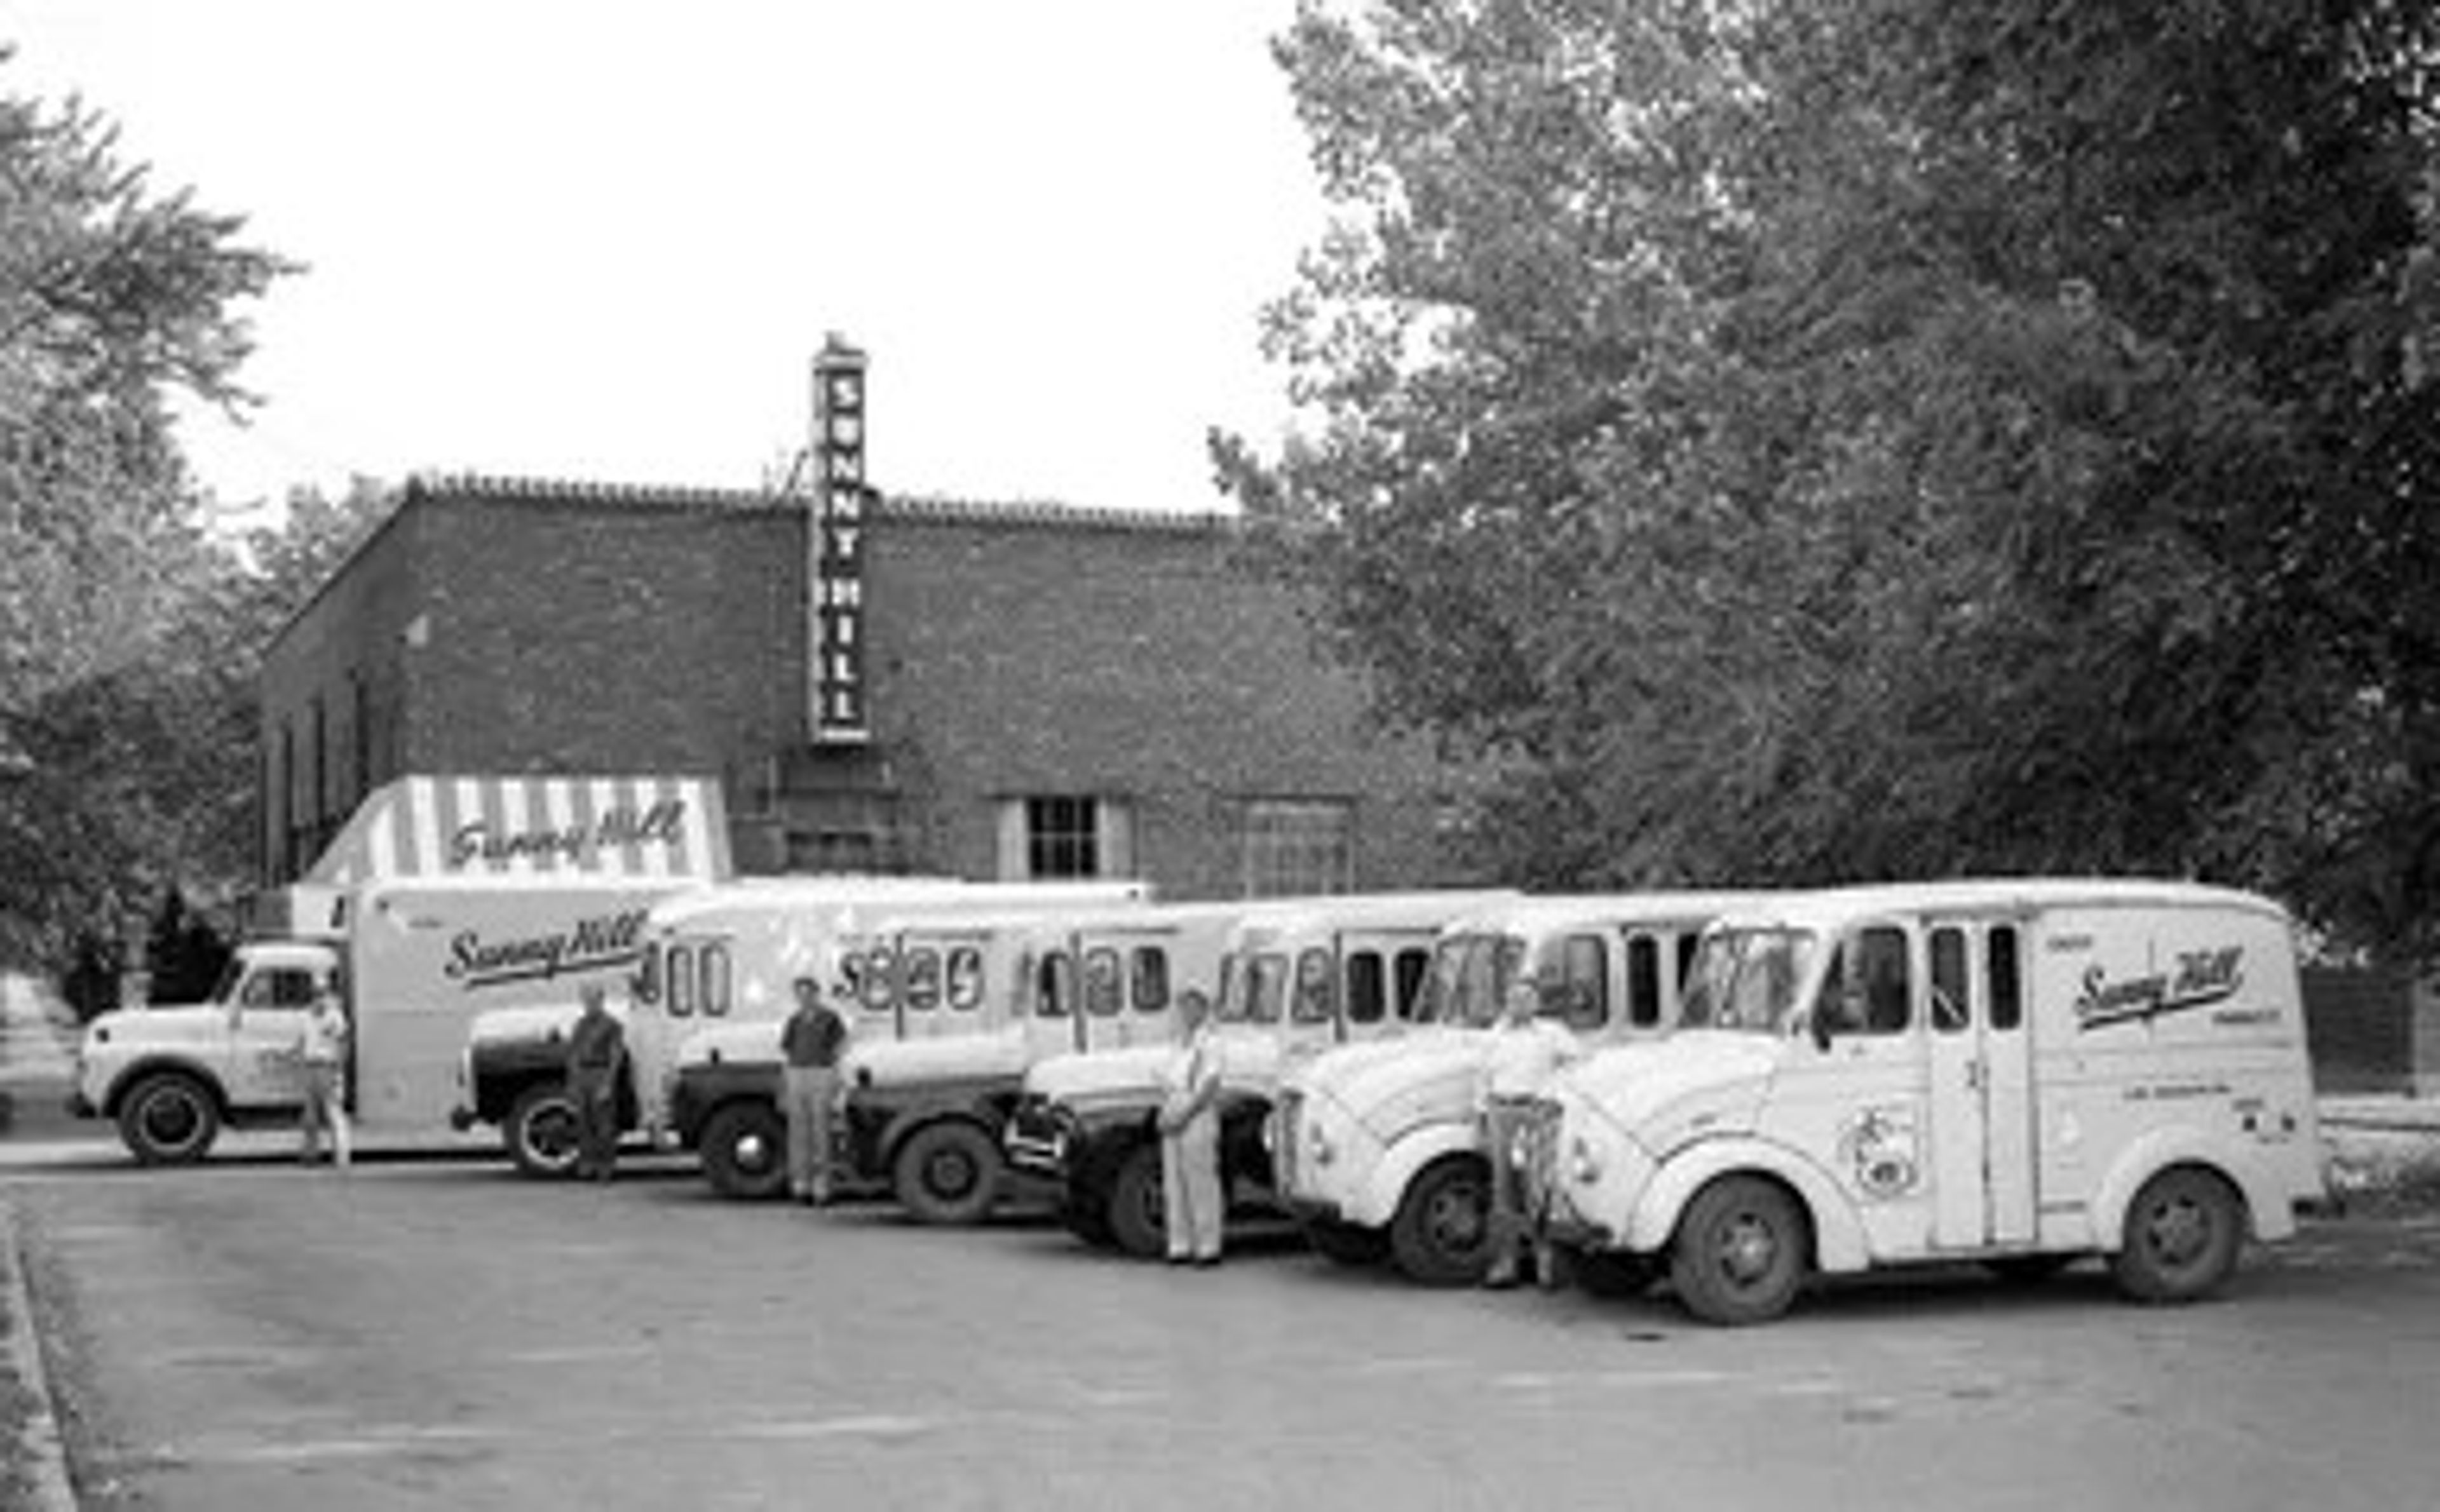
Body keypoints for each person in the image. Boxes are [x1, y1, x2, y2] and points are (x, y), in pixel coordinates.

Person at [1475, 975, 1578, 1289]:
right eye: (1514, 998)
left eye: (1526, 998)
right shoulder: (1494, 1036)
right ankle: (1506, 1264)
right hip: (1501, 1111)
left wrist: (1555, 1095)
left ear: (1537, 1003)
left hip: (1538, 1113)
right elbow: (1481, 1077)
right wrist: (1482, 1115)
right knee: (1504, 1188)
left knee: (1540, 1188)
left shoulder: (1552, 1034)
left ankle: (1545, 1263)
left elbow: (1578, 1063)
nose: (1519, 1004)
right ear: (1506, 1003)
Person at [1156, 987, 1224, 1266]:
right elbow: (1165, 1079)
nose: (1184, 1012)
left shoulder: (1211, 1043)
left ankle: (1208, 1246)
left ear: (1203, 1010)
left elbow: (1210, 1085)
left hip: (1197, 1111)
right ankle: (1179, 1244)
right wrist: (1165, 1113)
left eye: (1190, 1006)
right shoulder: (1178, 1044)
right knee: (1174, 1184)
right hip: (1174, 1104)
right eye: (1182, 1007)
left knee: (1200, 1182)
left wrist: (1185, 1115)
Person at [780, 971, 850, 1205]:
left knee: (821, 1130)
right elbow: (787, 1051)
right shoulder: (795, 1021)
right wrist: (785, 1083)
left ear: (816, 995)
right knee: (798, 1133)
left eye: (808, 994)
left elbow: (841, 1045)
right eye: (800, 995)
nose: (804, 999)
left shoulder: (830, 1018)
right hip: (797, 1073)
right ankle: (802, 1184)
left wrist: (836, 1074)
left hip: (821, 1072)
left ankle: (823, 1186)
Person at [566, 982, 627, 1183]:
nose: (589, 1004)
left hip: (600, 1072)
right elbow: (573, 1054)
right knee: (584, 1124)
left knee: (605, 1125)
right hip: (583, 1074)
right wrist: (573, 1083)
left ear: (601, 1001)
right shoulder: (580, 1025)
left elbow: (615, 1056)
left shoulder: (612, 1025)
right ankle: (587, 1164)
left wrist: (608, 1083)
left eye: (593, 1000)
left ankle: (606, 1167)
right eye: (586, 1000)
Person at [296, 976, 352, 1169]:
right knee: (309, 1117)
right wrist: (298, 1060)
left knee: (334, 1113)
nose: (318, 997)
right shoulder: (305, 1016)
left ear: (328, 994)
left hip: (328, 1067)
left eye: (322, 993)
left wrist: (339, 1069)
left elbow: (344, 1043)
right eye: (315, 994)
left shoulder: (335, 1016)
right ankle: (310, 1156)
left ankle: (342, 1157)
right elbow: (302, 1041)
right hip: (310, 1068)